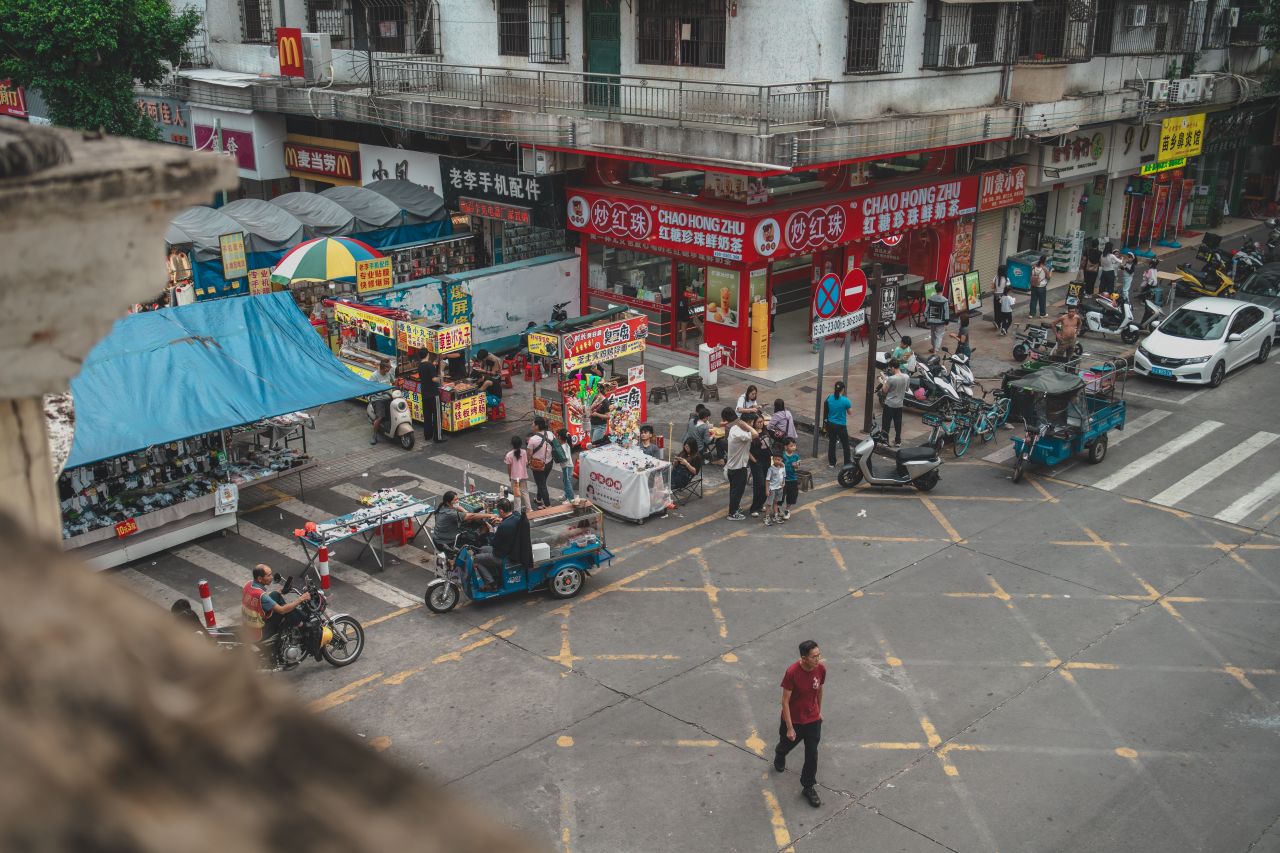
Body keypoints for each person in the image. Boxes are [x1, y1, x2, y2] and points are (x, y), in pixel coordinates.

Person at [773, 639, 826, 809]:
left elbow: (819, 690)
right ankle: (780, 754)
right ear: (803, 658)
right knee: (786, 745)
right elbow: (785, 701)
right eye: (814, 657)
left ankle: (808, 786)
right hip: (794, 720)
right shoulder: (792, 673)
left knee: (812, 753)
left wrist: (819, 710)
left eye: (819, 655)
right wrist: (789, 727)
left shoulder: (821, 669)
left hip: (812, 719)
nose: (818, 659)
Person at [240, 564, 309, 643]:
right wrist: (301, 598)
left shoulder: (248, 585)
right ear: (259, 578)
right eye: (268, 575)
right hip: (260, 632)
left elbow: (265, 597)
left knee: (275, 595)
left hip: (248, 626)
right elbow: (282, 610)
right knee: (286, 609)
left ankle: (297, 619)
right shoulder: (262, 596)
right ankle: (302, 627)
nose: (272, 577)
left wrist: (280, 591)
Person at [474, 498, 518, 591]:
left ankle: (491, 583)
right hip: (512, 549)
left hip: (503, 556)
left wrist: (491, 531)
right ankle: (495, 575)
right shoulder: (516, 517)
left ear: (501, 511)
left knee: (476, 559)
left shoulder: (503, 526)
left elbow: (493, 543)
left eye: (498, 511)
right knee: (483, 549)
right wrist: (501, 520)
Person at [433, 490, 497, 551]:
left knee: (474, 523)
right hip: (445, 542)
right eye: (455, 500)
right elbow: (471, 516)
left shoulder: (444, 506)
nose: (457, 501)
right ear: (448, 502)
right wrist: (489, 515)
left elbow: (464, 513)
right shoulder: (450, 513)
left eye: (457, 499)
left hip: (439, 537)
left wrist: (463, 510)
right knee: (473, 540)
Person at [723, 407, 756, 521]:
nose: (752, 425)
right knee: (737, 491)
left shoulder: (734, 428)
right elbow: (755, 434)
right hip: (738, 467)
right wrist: (746, 425)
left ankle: (735, 508)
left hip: (734, 466)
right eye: (751, 423)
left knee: (735, 490)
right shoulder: (740, 433)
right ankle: (732, 513)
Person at [527, 417, 556, 508]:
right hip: (549, 463)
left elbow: (529, 454)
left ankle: (547, 505)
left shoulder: (533, 439)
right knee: (542, 482)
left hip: (538, 465)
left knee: (542, 484)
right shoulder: (550, 434)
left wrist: (528, 462)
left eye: (533, 424)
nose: (532, 425)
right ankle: (539, 499)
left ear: (537, 426)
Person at [879, 360, 909, 447]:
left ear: (892, 367)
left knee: (886, 423)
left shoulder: (891, 379)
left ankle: (884, 441)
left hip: (889, 404)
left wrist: (884, 379)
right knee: (898, 422)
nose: (890, 370)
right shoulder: (906, 377)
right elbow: (906, 389)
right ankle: (898, 441)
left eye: (890, 368)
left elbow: (884, 390)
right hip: (899, 404)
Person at [747, 415, 771, 518]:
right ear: (753, 423)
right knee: (759, 484)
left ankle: (760, 505)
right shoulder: (751, 434)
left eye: (762, 421)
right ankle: (754, 508)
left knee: (766, 484)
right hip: (757, 462)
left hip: (767, 461)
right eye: (758, 422)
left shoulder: (766, 431)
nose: (761, 423)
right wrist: (754, 460)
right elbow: (746, 449)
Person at [417, 351, 444, 444]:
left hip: (424, 394)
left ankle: (427, 435)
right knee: (437, 416)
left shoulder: (420, 366)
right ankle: (438, 437)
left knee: (427, 415)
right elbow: (434, 379)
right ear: (427, 355)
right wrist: (440, 377)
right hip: (433, 393)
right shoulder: (430, 365)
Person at [825, 381, 853, 468]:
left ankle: (832, 463)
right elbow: (850, 413)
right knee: (845, 444)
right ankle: (847, 463)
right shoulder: (846, 400)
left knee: (832, 443)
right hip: (841, 425)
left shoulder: (829, 397)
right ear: (843, 389)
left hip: (831, 424)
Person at [505, 435, 533, 513]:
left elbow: (509, 467)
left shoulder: (509, 455)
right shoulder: (524, 452)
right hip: (523, 475)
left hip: (514, 477)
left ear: (512, 444)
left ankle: (518, 511)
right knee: (525, 492)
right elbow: (526, 463)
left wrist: (510, 476)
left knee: (517, 494)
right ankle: (529, 509)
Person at [369, 359, 393, 445]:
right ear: (385, 368)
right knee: (380, 417)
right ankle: (374, 435)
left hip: (389, 397)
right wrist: (379, 391)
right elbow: (371, 389)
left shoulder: (389, 373)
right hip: (378, 399)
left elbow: (393, 382)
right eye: (389, 366)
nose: (390, 368)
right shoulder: (374, 376)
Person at [763, 454, 786, 525]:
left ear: (781, 460)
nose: (777, 461)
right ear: (773, 459)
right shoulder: (771, 469)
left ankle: (776, 516)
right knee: (769, 504)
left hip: (779, 488)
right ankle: (767, 517)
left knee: (776, 503)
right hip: (772, 489)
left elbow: (784, 476)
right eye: (775, 459)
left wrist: (783, 483)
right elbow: (767, 480)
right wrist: (767, 490)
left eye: (779, 460)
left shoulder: (782, 467)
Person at [782, 438, 801, 521]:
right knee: (780, 496)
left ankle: (787, 510)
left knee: (791, 496)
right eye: (791, 446)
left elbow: (797, 467)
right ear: (786, 447)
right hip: (782, 479)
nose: (793, 447)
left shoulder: (796, 456)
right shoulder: (782, 455)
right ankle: (778, 508)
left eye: (794, 445)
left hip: (792, 479)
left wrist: (796, 465)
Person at [555, 428, 576, 501]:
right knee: (565, 481)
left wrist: (557, 457)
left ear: (559, 437)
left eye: (557, 436)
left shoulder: (563, 447)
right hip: (567, 466)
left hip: (567, 467)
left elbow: (566, 457)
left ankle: (571, 499)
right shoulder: (566, 444)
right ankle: (566, 495)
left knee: (567, 482)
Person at [992, 265, 1012, 332]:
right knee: (1002, 311)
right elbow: (1008, 288)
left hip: (996, 296)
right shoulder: (1006, 279)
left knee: (996, 310)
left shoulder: (995, 277)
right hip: (1003, 297)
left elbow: (992, 287)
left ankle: (997, 322)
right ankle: (1001, 324)